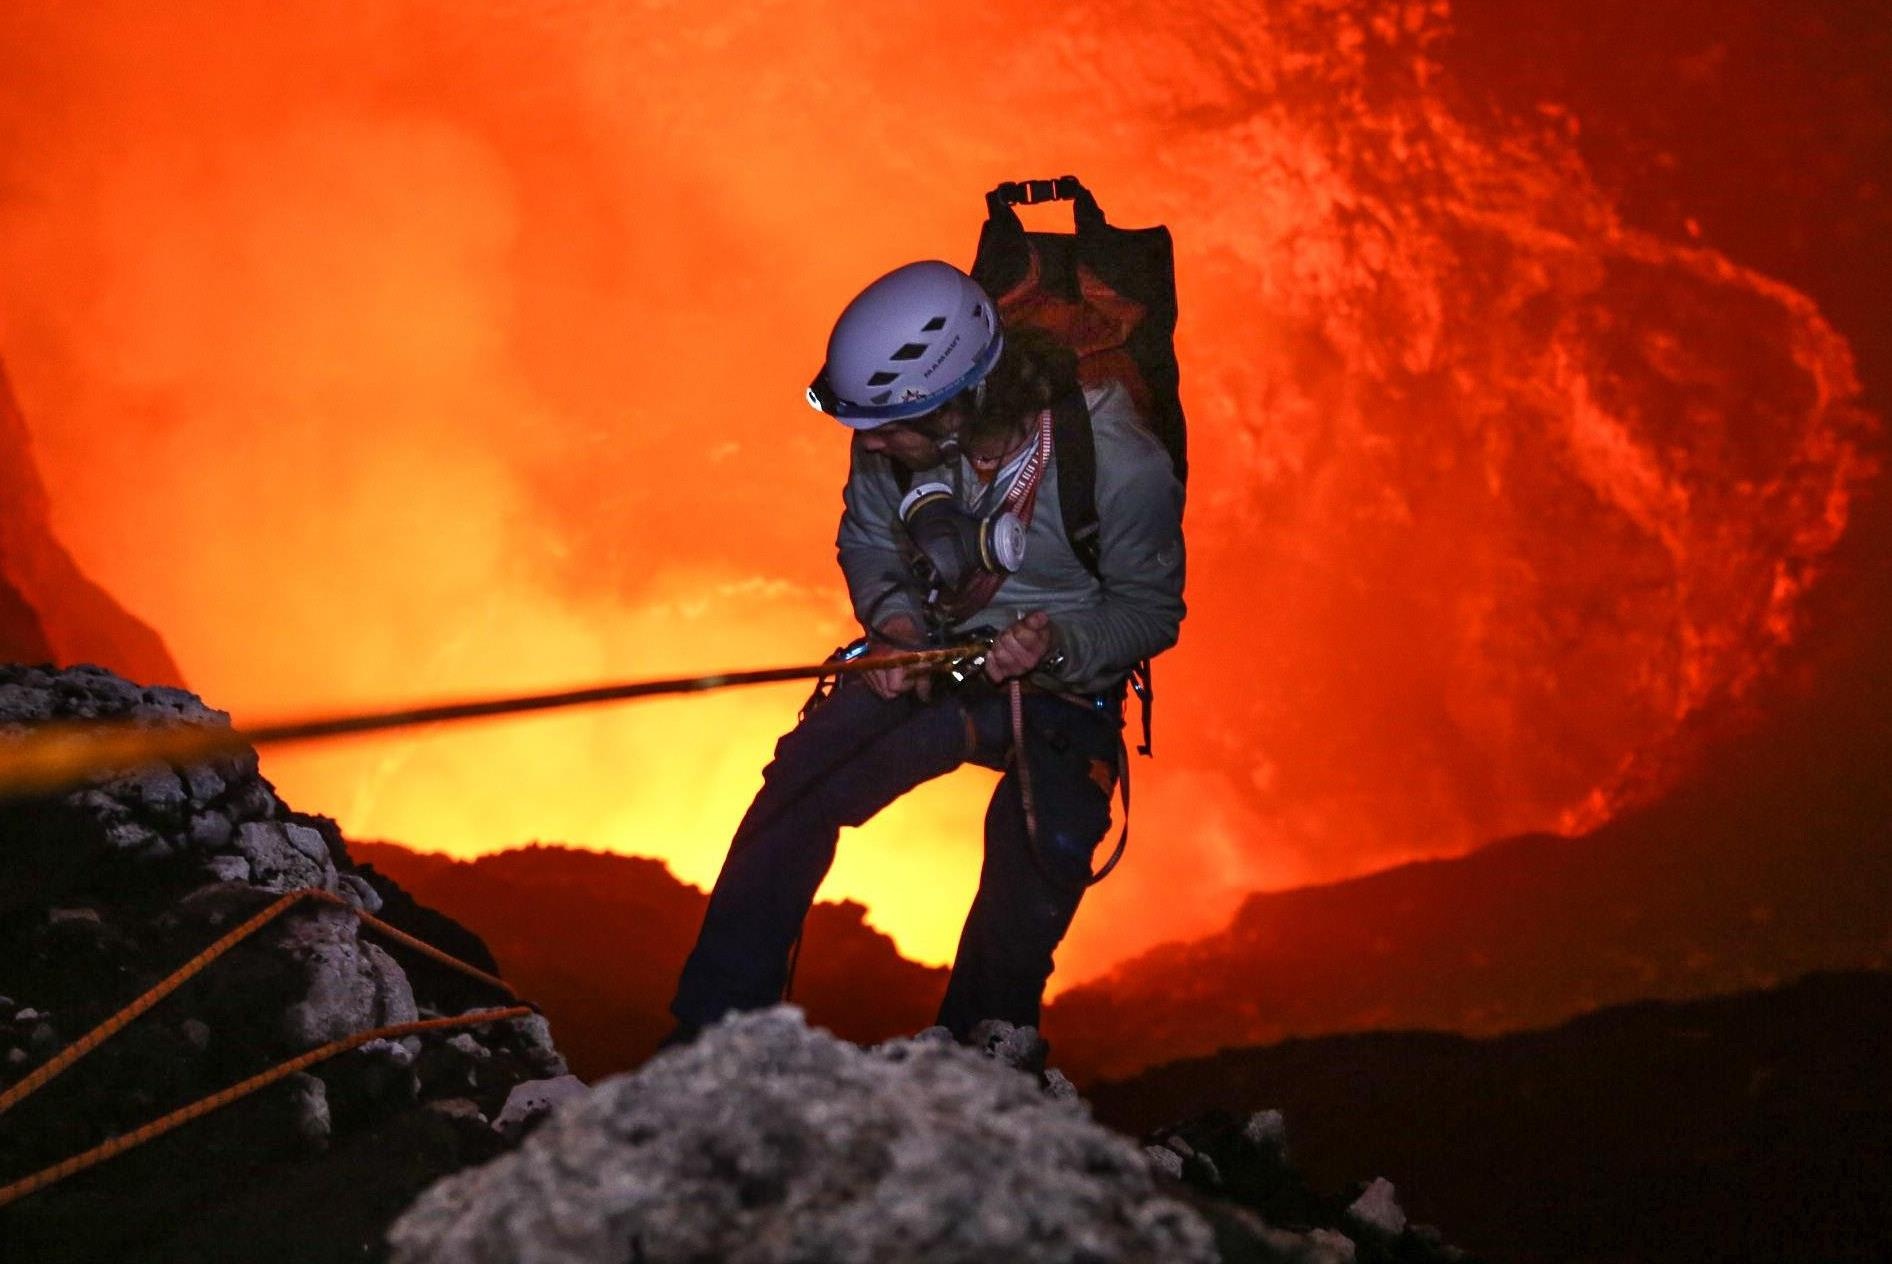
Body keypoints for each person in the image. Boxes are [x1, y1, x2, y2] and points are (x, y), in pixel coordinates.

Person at [668, 259, 1184, 1042]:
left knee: (1037, 861)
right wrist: (897, 627)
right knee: (799, 788)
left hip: (1063, 689)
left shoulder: (1116, 457)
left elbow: (1149, 611)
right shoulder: (892, 433)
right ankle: (713, 1036)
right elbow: (870, 540)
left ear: (961, 402)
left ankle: (984, 1056)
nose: (869, 442)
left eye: (886, 426)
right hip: (935, 659)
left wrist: (1053, 647)